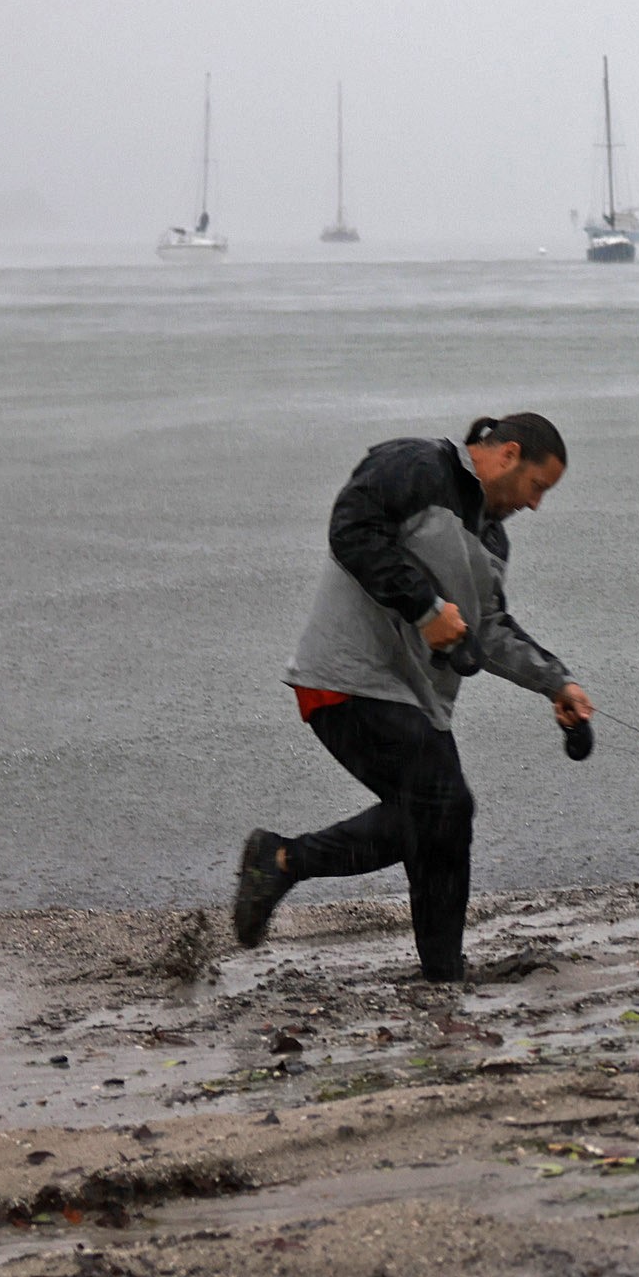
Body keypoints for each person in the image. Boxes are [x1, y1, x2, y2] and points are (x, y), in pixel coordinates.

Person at [231, 413, 593, 983]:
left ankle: (440, 970)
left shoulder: (493, 537)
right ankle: (279, 861)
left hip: (409, 698)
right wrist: (424, 608)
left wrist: (558, 683)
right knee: (442, 807)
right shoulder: (418, 464)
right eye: (537, 487)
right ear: (507, 455)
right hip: (343, 677)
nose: (536, 504)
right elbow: (351, 528)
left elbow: (489, 629)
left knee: (440, 818)